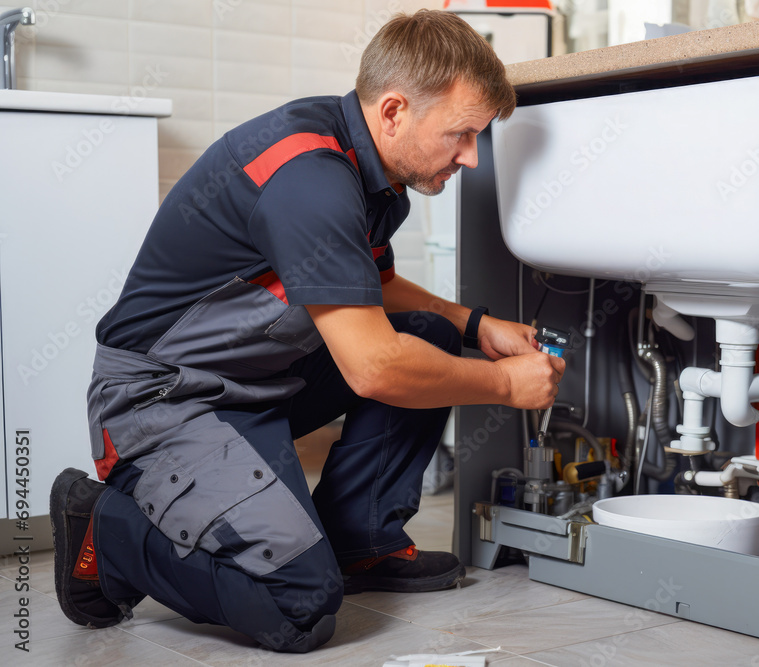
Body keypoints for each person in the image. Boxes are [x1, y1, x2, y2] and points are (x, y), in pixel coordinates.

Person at [50, 10, 564, 654]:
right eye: (461, 134)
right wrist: (504, 385)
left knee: (430, 333)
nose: (471, 156)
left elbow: (364, 282)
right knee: (297, 604)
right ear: (395, 111)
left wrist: (476, 324)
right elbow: (373, 368)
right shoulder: (310, 179)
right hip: (164, 399)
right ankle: (110, 531)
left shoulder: (377, 174)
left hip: (253, 380)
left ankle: (361, 540)